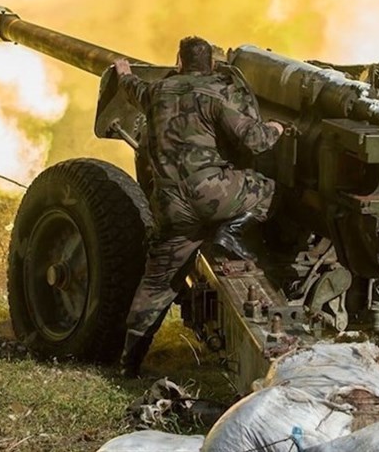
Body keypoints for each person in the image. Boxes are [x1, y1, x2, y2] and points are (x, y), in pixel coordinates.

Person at [113, 36, 283, 377]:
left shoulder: (157, 93)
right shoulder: (215, 95)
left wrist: (124, 72)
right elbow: (255, 140)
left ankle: (129, 361)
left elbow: (133, 89)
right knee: (267, 190)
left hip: (171, 208)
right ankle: (229, 233)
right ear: (211, 65)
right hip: (214, 195)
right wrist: (277, 128)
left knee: (157, 284)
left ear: (179, 62)